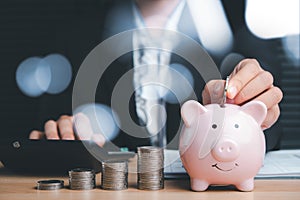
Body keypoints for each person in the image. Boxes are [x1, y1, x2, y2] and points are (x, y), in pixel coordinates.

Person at [29, 0, 283, 150]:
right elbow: (54, 123)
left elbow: (271, 132)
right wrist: (62, 134)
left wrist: (252, 117)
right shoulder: (76, 30)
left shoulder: (240, 26)